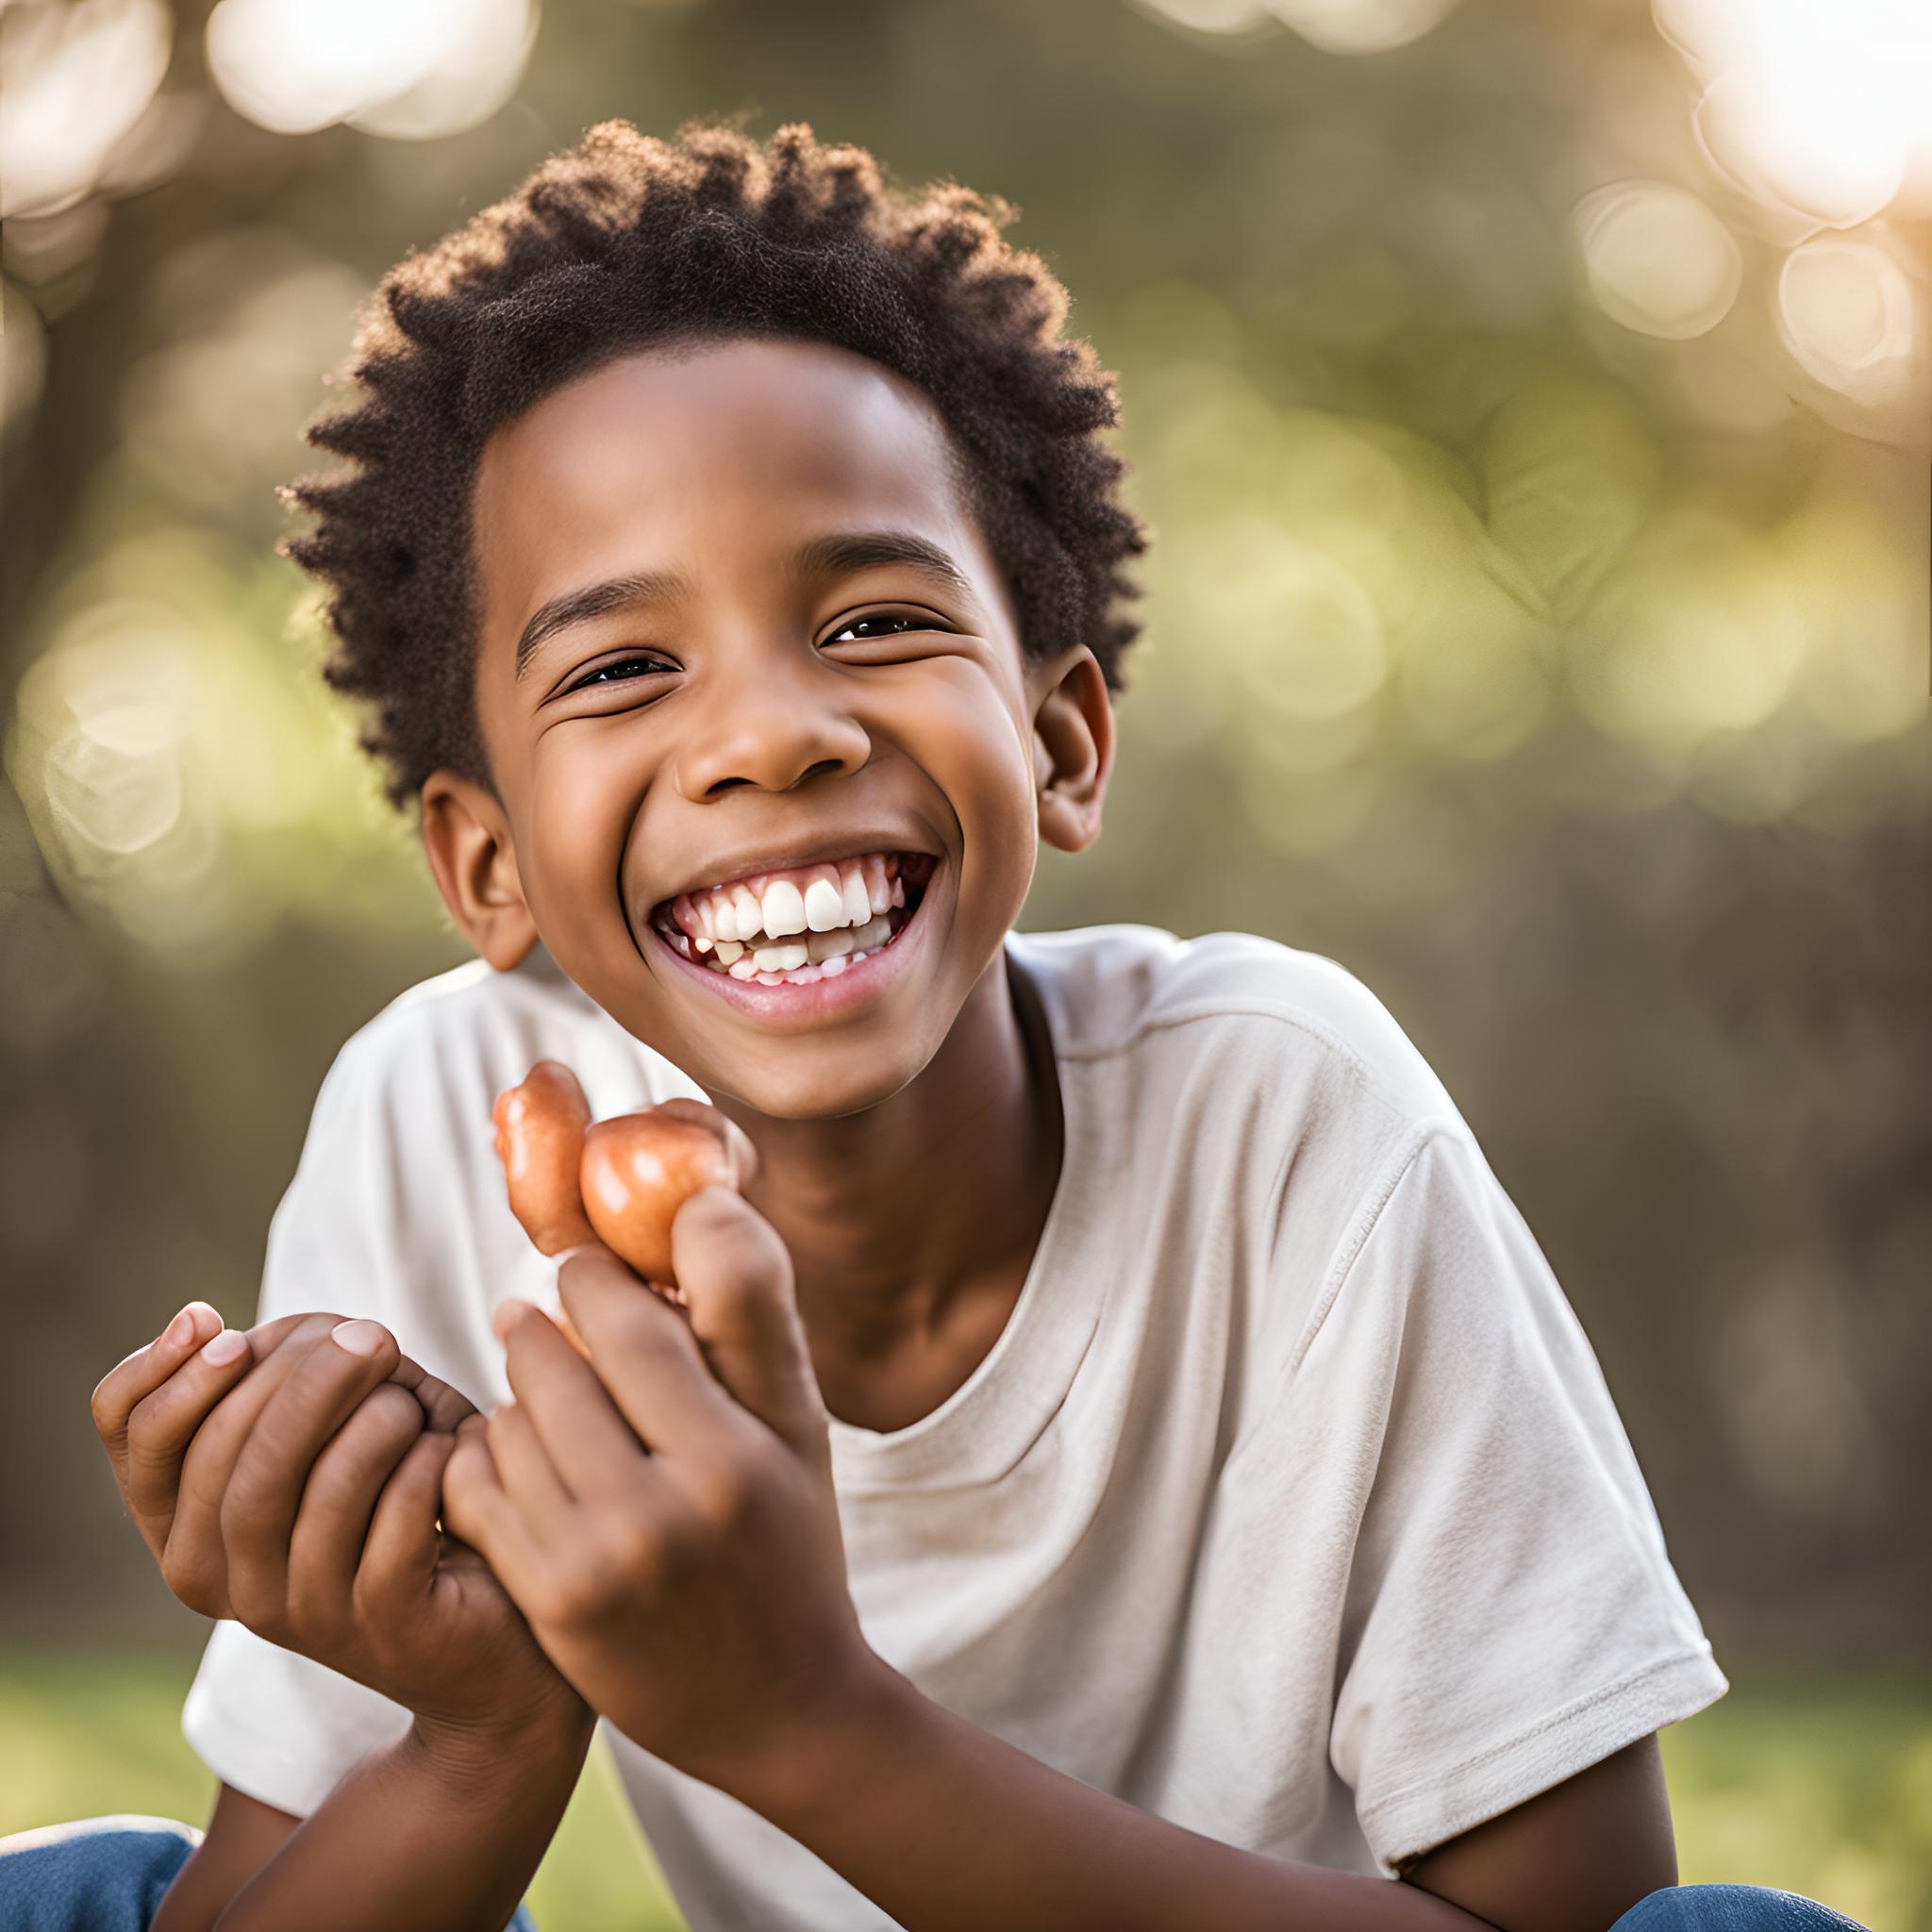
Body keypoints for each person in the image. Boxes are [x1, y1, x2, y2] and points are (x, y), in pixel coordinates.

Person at [3, 118, 1868, 1932]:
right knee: (86, 1898)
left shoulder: (1284, 1118)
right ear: (483, 860)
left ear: (1058, 740)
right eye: (624, 666)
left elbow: (1597, 1918)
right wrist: (481, 1730)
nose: (768, 732)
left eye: (874, 619)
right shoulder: (442, 1113)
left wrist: (801, 1717)